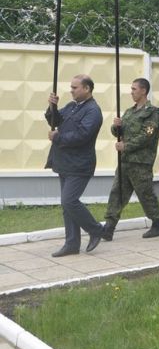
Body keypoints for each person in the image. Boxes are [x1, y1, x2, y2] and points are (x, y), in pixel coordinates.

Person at [45, 75, 105, 256]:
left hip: (80, 164)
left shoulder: (93, 111)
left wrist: (58, 137)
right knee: (67, 205)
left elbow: (83, 135)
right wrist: (52, 106)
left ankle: (95, 230)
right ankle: (72, 244)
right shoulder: (72, 106)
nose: (71, 90)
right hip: (64, 162)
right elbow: (54, 121)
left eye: (75, 87)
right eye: (71, 87)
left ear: (87, 89)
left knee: (69, 201)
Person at [103, 78, 159, 241]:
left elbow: (147, 136)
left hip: (141, 162)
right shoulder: (129, 111)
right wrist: (116, 126)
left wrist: (126, 146)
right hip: (125, 161)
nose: (131, 92)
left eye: (134, 89)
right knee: (117, 193)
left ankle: (157, 223)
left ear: (143, 91)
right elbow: (118, 132)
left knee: (145, 193)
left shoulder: (153, 112)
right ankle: (109, 227)